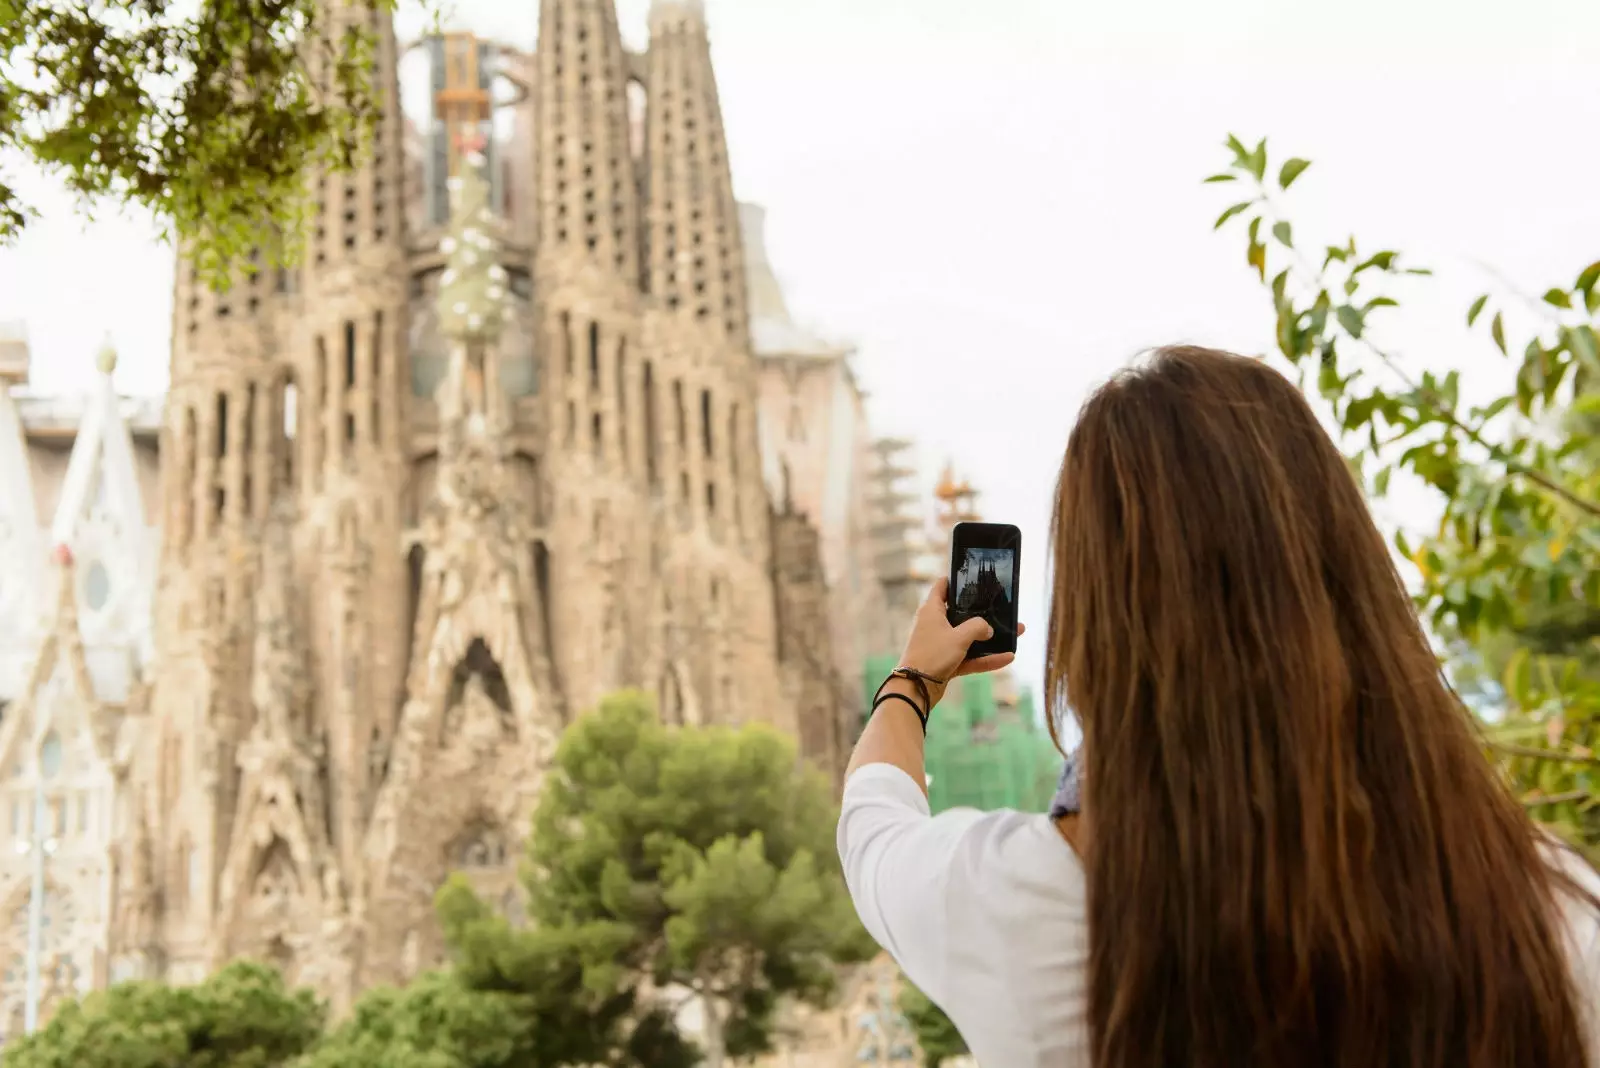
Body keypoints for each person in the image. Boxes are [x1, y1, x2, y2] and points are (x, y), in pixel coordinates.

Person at [837, 346, 1600, 1068]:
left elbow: (873, 821)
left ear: (1098, 618)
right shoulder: (1551, 912)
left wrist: (914, 680)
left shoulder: (1007, 902)